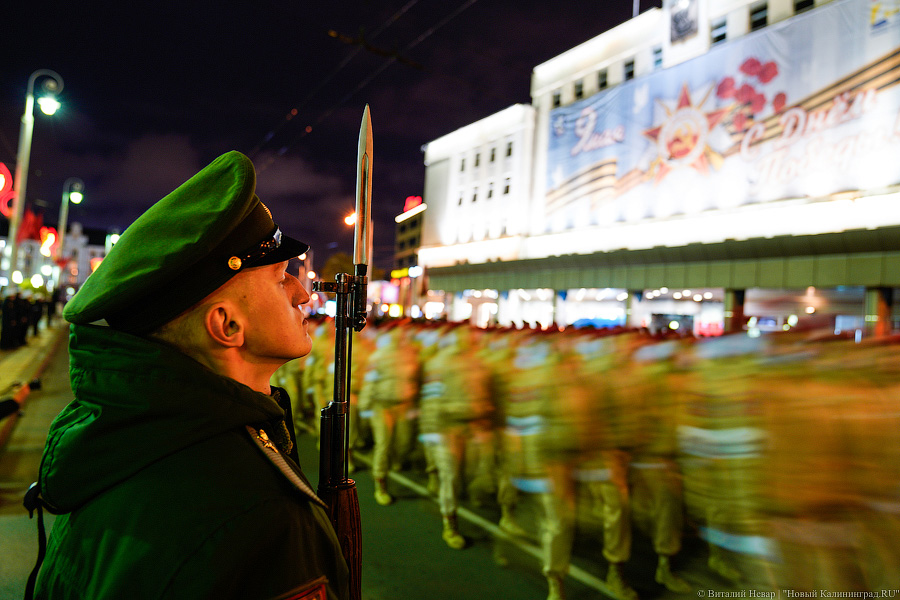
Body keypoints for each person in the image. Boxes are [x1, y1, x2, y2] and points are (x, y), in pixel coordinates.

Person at [29, 151, 350, 600]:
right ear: (227, 325)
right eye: (281, 278)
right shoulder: (255, 510)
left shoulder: (123, 441)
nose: (301, 292)